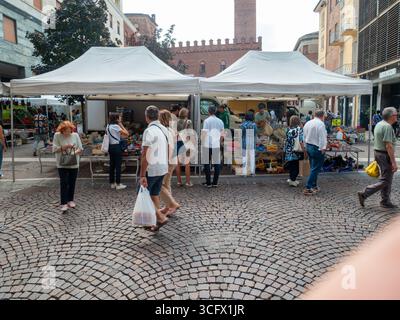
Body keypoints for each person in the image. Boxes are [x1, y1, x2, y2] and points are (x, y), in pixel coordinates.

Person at [358, 107, 398, 209]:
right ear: (391, 116)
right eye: (396, 114)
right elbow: (388, 146)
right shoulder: (387, 127)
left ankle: (385, 201)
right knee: (386, 180)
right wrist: (393, 162)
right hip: (384, 154)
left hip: (378, 153)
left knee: (387, 178)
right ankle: (365, 193)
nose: (397, 116)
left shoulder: (379, 124)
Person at [140, 106, 170, 232]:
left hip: (152, 169)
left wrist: (142, 175)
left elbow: (145, 154)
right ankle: (155, 222)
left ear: (146, 117)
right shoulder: (163, 129)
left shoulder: (149, 131)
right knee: (154, 195)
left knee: (144, 196)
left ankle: (160, 218)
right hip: (162, 167)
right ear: (158, 116)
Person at [53, 121, 83, 212]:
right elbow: (54, 149)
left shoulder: (75, 135)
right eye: (65, 131)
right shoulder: (57, 135)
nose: (68, 132)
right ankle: (63, 203)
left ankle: (70, 200)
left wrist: (73, 153)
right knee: (64, 182)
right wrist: (65, 147)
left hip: (74, 163)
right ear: (62, 130)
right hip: (61, 163)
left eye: (69, 130)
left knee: (72, 182)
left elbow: (80, 148)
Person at [159, 110, 181, 216]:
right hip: (172, 160)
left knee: (159, 185)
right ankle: (168, 207)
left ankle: (173, 204)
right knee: (166, 184)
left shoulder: (165, 130)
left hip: (167, 160)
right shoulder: (172, 130)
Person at [303, 110, 327, 196]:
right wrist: (323, 148)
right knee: (315, 168)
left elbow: (304, 136)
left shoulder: (308, 123)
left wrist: (305, 147)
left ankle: (314, 185)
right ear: (322, 116)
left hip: (309, 146)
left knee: (313, 168)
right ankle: (308, 187)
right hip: (316, 148)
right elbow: (322, 137)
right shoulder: (320, 124)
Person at [202, 105, 225, 188]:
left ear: (208, 111)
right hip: (216, 144)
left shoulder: (207, 121)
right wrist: (220, 142)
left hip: (207, 144)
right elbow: (223, 134)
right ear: (215, 111)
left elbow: (204, 133)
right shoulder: (220, 121)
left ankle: (208, 183)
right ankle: (215, 182)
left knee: (207, 164)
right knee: (216, 164)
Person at [107, 113, 129, 190]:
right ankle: (118, 184)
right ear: (116, 119)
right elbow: (127, 133)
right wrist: (121, 124)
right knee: (118, 166)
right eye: (119, 118)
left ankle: (112, 183)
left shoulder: (108, 126)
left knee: (112, 165)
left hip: (110, 147)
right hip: (116, 147)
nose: (120, 119)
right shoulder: (116, 126)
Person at [284, 116, 305, 187]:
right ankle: (293, 180)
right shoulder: (299, 129)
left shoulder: (288, 129)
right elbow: (301, 141)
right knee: (296, 166)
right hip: (296, 150)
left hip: (289, 150)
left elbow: (286, 139)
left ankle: (292, 179)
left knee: (291, 165)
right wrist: (304, 150)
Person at [176, 107, 193, 187]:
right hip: (186, 143)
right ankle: (188, 182)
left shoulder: (175, 122)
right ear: (186, 114)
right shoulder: (188, 122)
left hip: (177, 143)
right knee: (187, 164)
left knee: (178, 164)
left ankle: (179, 182)